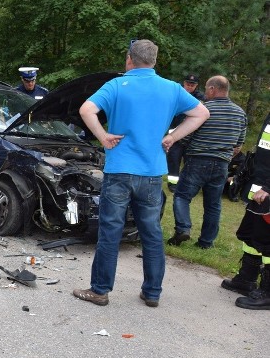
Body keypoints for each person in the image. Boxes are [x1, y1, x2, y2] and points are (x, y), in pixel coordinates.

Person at [71, 39, 209, 308]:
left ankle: (100, 290)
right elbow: (201, 113)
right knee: (152, 233)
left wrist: (102, 136)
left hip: (119, 170)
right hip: (151, 172)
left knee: (111, 230)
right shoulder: (171, 88)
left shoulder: (116, 85)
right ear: (154, 61)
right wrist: (172, 137)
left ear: (129, 59)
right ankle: (152, 292)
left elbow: (86, 109)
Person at [167, 76, 247, 249]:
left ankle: (183, 229)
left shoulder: (203, 109)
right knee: (213, 205)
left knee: (182, 196)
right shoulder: (240, 113)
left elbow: (185, 135)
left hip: (198, 160)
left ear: (212, 89)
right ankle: (206, 242)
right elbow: (238, 146)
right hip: (222, 165)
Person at [221, 110, 270, 310]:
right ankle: (246, 278)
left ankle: (267, 291)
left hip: (267, 187)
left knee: (267, 240)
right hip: (259, 182)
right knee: (251, 234)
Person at [166, 74, 205, 190]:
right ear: (184, 83)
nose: (189, 86)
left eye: (192, 84)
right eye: (188, 83)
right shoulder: (176, 93)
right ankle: (172, 184)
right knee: (173, 160)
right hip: (175, 134)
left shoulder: (200, 98)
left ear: (196, 86)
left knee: (190, 161)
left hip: (191, 136)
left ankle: (187, 184)